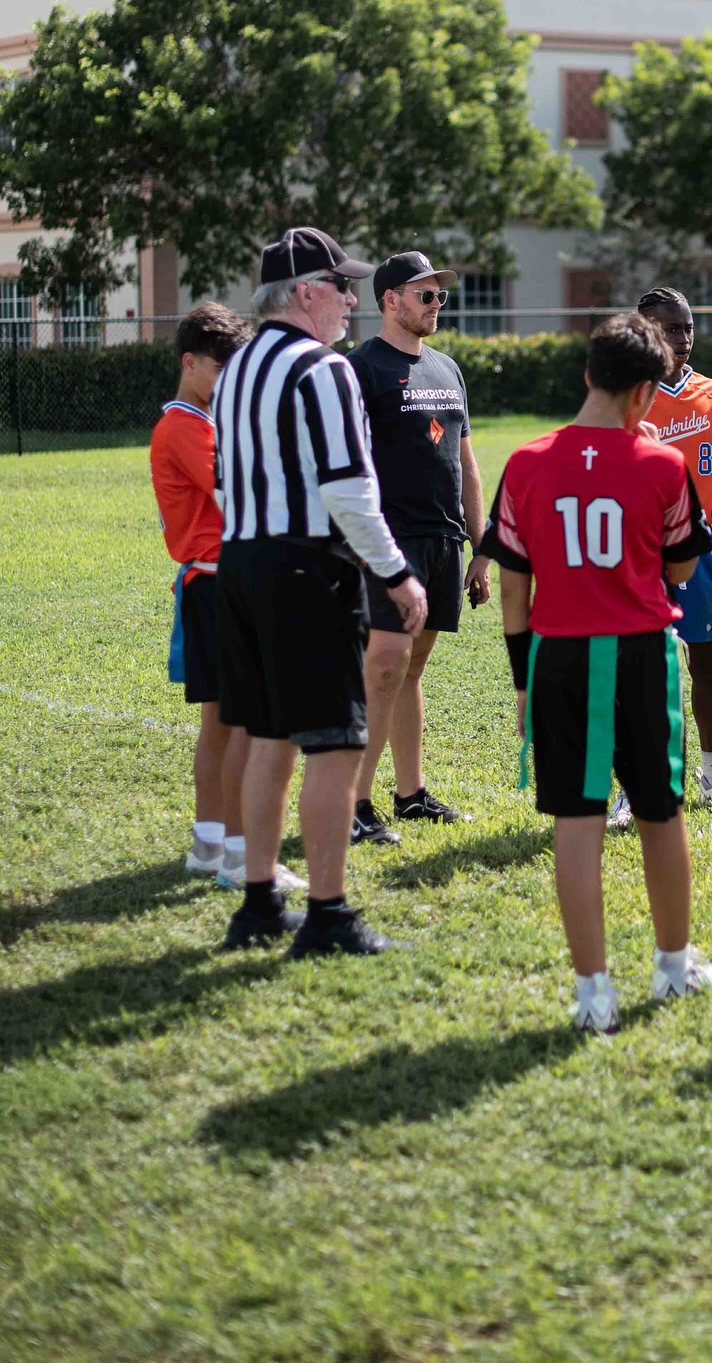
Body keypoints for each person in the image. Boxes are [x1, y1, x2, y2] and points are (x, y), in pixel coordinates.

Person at [478, 310, 712, 1035]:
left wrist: (522, 681)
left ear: (588, 373)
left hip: (559, 658)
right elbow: (681, 567)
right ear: (645, 393)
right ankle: (673, 967)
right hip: (639, 656)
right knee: (660, 812)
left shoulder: (526, 462)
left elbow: (514, 588)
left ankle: (593, 995)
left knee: (577, 821)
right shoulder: (662, 465)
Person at [213, 226, 428, 957]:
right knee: (335, 745)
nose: (350, 301)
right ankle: (328, 914)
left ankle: (259, 902)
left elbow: (226, 483)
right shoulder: (324, 368)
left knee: (269, 735)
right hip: (305, 568)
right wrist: (395, 573)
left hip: (240, 563)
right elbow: (349, 489)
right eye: (341, 287)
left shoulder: (237, 369)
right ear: (306, 292)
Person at [149, 302, 308, 891]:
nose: (230, 381)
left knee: (223, 723)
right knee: (246, 723)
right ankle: (240, 857)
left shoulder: (201, 421)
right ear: (189, 363)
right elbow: (239, 492)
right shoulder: (184, 426)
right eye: (221, 369)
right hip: (220, 583)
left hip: (217, 581)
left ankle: (209, 846)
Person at [604, 286, 712, 822]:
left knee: (709, 667)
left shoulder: (710, 393)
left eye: (687, 327)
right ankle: (635, 788)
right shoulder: (625, 396)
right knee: (644, 674)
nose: (683, 337)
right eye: (670, 328)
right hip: (640, 555)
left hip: (698, 553)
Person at [348, 250, 491, 845]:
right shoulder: (360, 368)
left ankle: (410, 795)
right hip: (388, 541)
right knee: (384, 666)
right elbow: (347, 464)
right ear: (391, 301)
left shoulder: (447, 369)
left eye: (440, 295)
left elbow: (465, 461)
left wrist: (481, 546)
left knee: (412, 669)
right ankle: (353, 803)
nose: (437, 305)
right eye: (425, 295)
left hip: (443, 540)